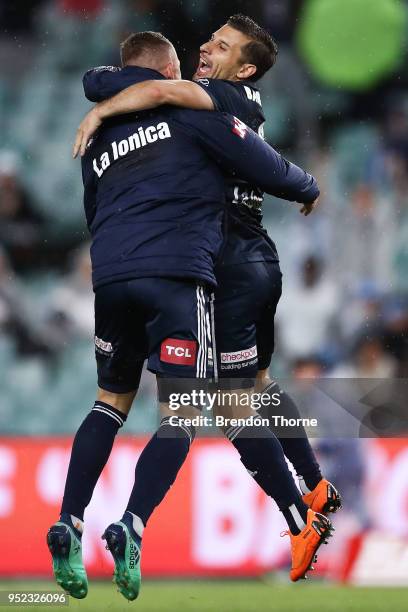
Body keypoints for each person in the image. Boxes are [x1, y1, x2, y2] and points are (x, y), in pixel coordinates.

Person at [47, 31, 331, 602]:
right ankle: (136, 523)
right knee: (204, 404)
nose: (204, 54)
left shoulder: (100, 131)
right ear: (169, 74)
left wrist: (103, 105)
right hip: (186, 273)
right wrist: (308, 185)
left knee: (112, 402)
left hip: (113, 274)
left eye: (221, 46)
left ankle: (69, 520)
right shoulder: (191, 111)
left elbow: (94, 206)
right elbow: (270, 168)